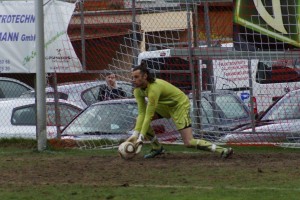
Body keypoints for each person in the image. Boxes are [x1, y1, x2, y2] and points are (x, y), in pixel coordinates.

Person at [127, 64, 233, 159]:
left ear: (145, 76)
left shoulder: (154, 89)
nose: (133, 80)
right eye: (132, 77)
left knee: (188, 142)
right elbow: (142, 113)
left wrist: (140, 137)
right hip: (164, 105)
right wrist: (135, 134)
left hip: (179, 105)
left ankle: (222, 150)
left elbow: (148, 115)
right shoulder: (137, 91)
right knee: (139, 120)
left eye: (136, 77)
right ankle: (157, 148)